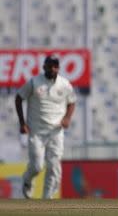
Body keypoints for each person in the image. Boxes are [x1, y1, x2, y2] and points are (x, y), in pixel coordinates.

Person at [15, 55, 76, 199]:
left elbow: (72, 102)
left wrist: (67, 118)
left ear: (58, 68)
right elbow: (19, 98)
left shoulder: (65, 84)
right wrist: (22, 123)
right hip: (36, 131)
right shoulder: (34, 82)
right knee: (37, 166)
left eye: (55, 66)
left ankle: (46, 200)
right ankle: (27, 180)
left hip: (56, 131)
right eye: (50, 66)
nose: (53, 69)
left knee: (54, 166)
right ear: (44, 67)